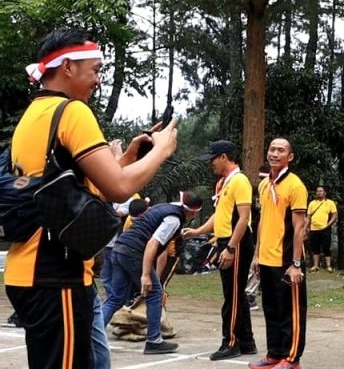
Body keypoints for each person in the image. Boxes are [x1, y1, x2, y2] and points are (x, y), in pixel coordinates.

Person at [6, 28, 178, 369]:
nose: (98, 79)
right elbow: (117, 188)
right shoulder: (73, 112)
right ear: (68, 67)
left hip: (29, 273)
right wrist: (161, 151)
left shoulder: (35, 114)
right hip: (56, 275)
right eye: (95, 70)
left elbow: (73, 191)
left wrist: (128, 157)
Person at [100, 193, 203, 355]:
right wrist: (146, 275)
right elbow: (153, 243)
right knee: (155, 293)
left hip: (120, 246)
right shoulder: (174, 219)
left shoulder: (164, 208)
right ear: (194, 212)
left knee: (116, 297)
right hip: (133, 251)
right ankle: (154, 341)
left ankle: (91, 336)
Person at [183, 139, 257, 360]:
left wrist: (232, 248)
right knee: (236, 294)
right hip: (226, 240)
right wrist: (198, 232)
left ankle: (231, 342)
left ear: (224, 157)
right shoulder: (223, 183)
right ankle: (247, 341)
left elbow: (243, 218)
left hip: (238, 241)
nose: (211, 163)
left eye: (213, 159)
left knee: (232, 296)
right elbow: (219, 216)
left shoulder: (240, 181)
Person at [249, 138, 308, 369]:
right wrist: (257, 255)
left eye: (280, 150)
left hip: (286, 260)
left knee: (290, 311)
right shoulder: (265, 185)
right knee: (271, 309)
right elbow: (263, 221)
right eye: (272, 149)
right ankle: (275, 353)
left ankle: (292, 359)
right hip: (267, 258)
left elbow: (300, 227)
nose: (274, 153)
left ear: (290, 157)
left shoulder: (295, 186)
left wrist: (295, 263)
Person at [306, 186, 338, 272]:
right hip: (313, 229)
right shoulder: (312, 203)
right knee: (315, 248)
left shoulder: (330, 203)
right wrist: (306, 227)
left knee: (326, 247)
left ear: (325, 193)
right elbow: (308, 217)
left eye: (321, 191)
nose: (319, 193)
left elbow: (334, 215)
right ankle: (316, 265)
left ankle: (328, 266)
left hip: (325, 229)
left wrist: (328, 224)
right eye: (317, 191)